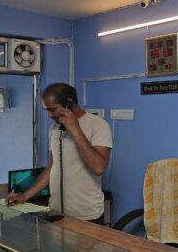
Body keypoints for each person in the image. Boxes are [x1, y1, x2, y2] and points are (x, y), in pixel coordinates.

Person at [7, 83, 112, 223]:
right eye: (46, 110)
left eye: (52, 109)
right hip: (55, 213)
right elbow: (52, 167)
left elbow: (99, 167)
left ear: (69, 103)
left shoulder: (98, 125)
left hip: (87, 216)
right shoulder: (54, 129)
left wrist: (75, 129)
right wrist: (25, 196)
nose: (49, 115)